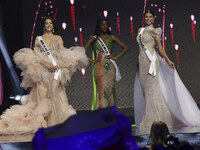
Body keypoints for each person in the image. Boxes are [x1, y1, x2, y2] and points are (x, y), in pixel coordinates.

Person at [0, 17, 88, 135]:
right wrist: (46, 64)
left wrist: (57, 65)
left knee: (56, 93)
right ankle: (45, 121)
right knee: (43, 94)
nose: (49, 25)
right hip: (43, 71)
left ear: (53, 25)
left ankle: (58, 121)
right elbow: (36, 56)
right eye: (46, 23)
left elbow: (62, 53)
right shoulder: (38, 39)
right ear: (43, 26)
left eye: (50, 23)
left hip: (56, 70)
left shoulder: (58, 38)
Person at [134, 9, 200, 134]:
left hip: (152, 62)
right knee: (146, 92)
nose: (148, 19)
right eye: (146, 17)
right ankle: (152, 118)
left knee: (152, 91)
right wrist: (139, 62)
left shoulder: (156, 30)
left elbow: (159, 47)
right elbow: (140, 49)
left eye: (150, 17)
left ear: (153, 18)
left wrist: (168, 60)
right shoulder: (140, 30)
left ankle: (157, 120)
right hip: (142, 63)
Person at [84, 17, 129, 109]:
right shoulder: (94, 39)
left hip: (110, 67)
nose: (104, 26)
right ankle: (102, 114)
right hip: (100, 67)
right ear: (99, 26)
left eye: (106, 24)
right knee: (102, 90)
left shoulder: (112, 37)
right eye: (102, 25)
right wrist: (92, 60)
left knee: (110, 90)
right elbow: (81, 52)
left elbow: (126, 48)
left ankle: (111, 114)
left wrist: (115, 57)